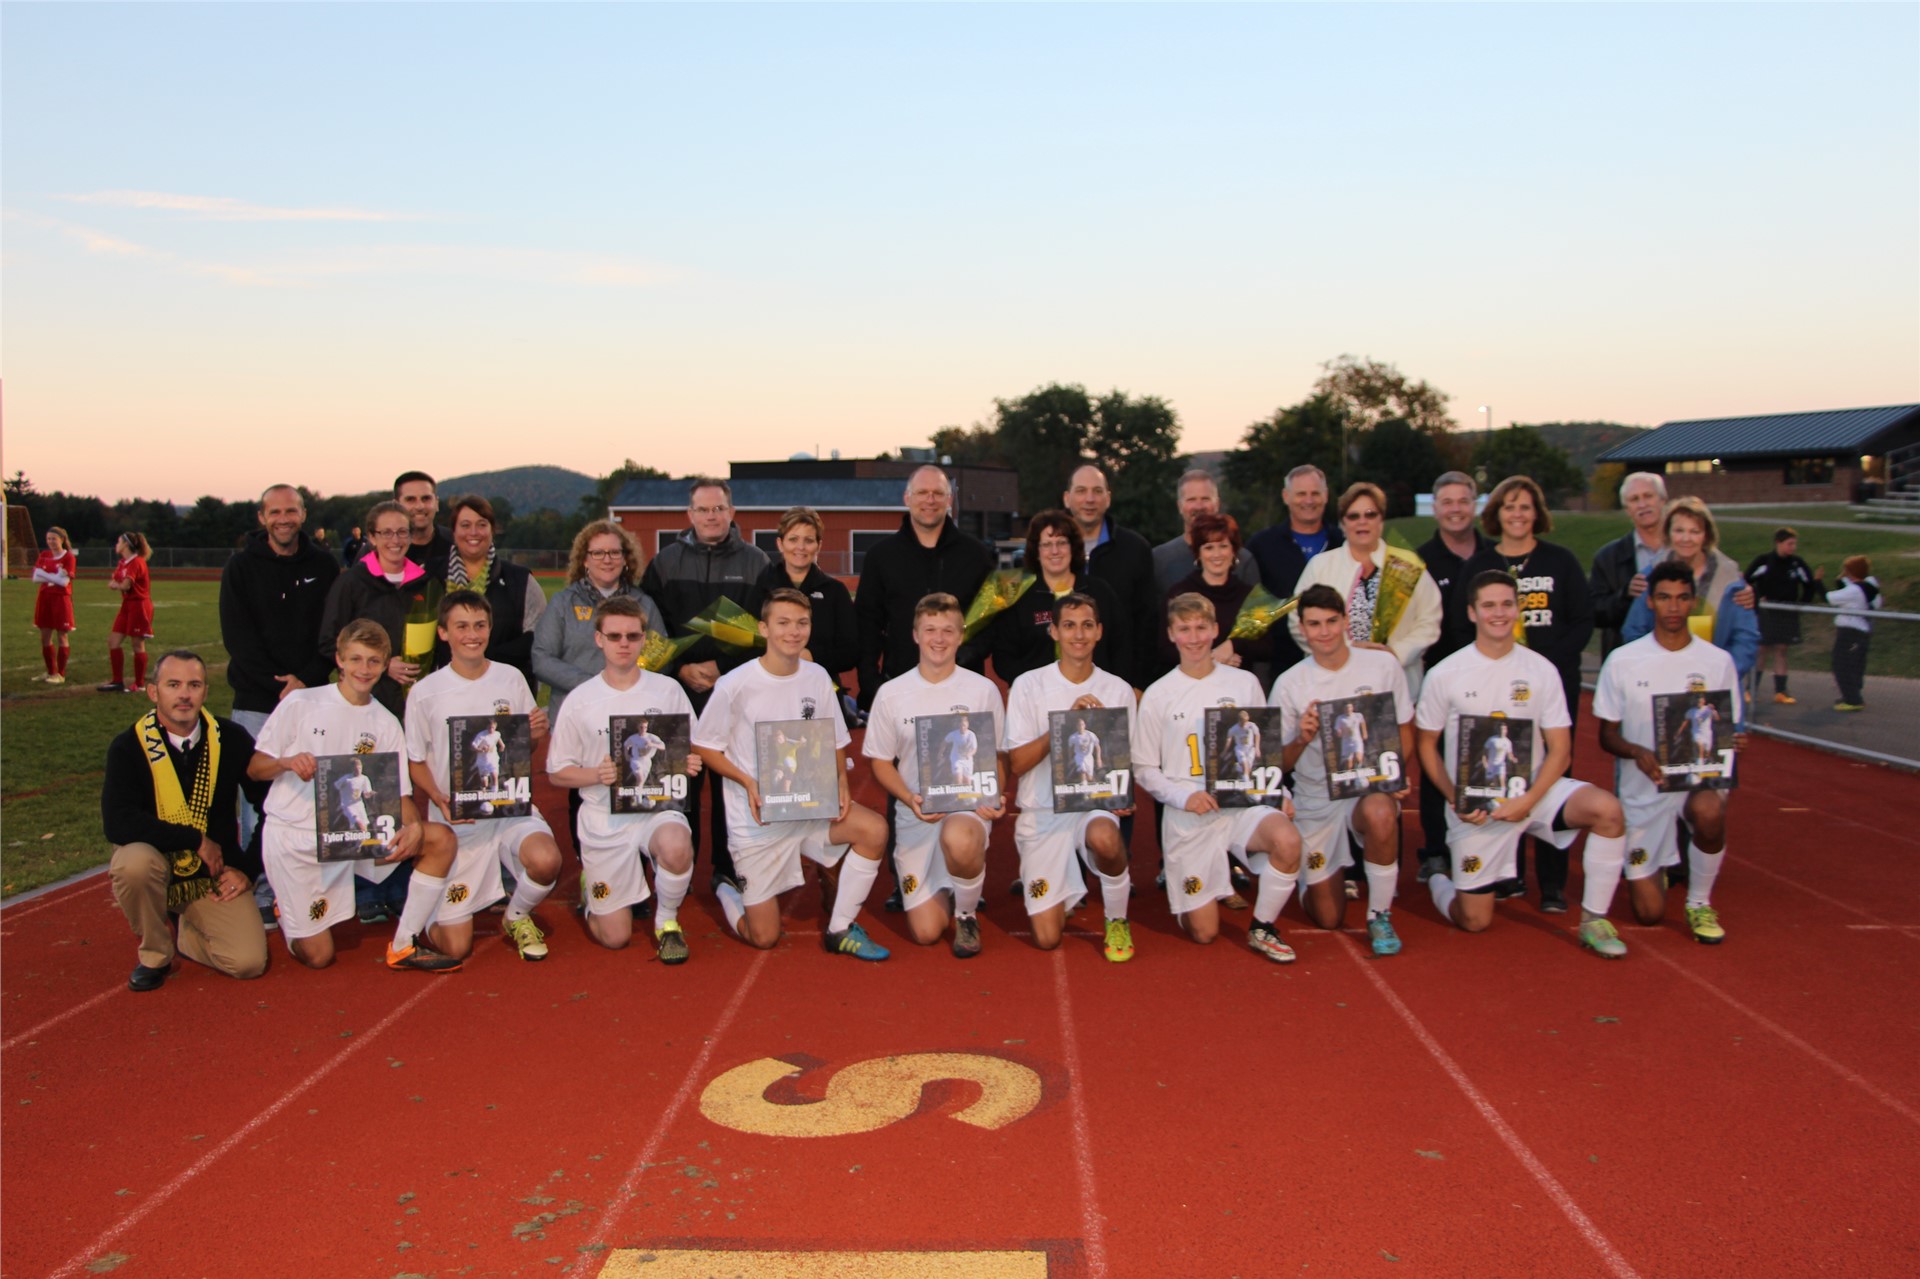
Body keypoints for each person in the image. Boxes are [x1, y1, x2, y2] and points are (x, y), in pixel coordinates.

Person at [1417, 572, 1629, 951]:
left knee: (1608, 810)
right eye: (1489, 605)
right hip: (1476, 806)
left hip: (1533, 793)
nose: (1499, 613)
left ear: (1519, 609)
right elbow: (1427, 744)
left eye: (1506, 604)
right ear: (1472, 612)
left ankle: (1595, 920)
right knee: (1475, 921)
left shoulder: (1541, 670)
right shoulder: (1444, 673)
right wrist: (1454, 796)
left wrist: (1527, 801)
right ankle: (1438, 878)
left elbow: (1560, 749)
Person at [248, 620, 461, 972]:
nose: (364, 669)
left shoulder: (386, 722)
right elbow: (255, 767)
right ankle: (287, 909)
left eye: (374, 661)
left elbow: (401, 795)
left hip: (353, 835)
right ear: (340, 660)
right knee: (318, 957)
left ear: (384, 663)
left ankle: (405, 943)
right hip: (298, 837)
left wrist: (414, 827)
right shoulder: (302, 703)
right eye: (356, 659)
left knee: (438, 839)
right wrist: (285, 763)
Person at [692, 587, 893, 959]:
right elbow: (704, 745)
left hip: (809, 807)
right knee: (764, 937)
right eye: (783, 623)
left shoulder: (817, 676)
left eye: (802, 623)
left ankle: (840, 928)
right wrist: (748, 781)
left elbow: (834, 737)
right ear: (764, 628)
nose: (793, 631)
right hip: (760, 820)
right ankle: (726, 888)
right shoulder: (735, 684)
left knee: (874, 829)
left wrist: (842, 782)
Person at [1445, 475, 1595, 913]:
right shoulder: (1480, 564)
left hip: (1547, 688)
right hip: (1493, 694)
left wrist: (1542, 661)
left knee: (1550, 775)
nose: (1517, 514)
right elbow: (1460, 623)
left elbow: (1582, 620)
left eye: (1525, 507)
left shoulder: (1560, 561)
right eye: (1509, 506)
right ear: (1497, 513)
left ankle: (1551, 882)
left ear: (1537, 513)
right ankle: (1503, 873)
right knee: (1495, 775)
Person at [1138, 593, 1303, 958]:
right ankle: (1199, 887)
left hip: (1242, 804)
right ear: (1171, 634)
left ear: (1215, 630)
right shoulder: (1159, 694)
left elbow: (1262, 753)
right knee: (1204, 933)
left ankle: (1263, 927)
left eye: (1201, 628)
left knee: (1288, 840)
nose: (1194, 637)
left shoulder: (1243, 684)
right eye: (1185, 629)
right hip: (1191, 814)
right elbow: (1144, 768)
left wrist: (1280, 794)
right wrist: (1184, 797)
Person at [1592, 560, 1746, 948]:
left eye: (1681, 598)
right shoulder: (1624, 660)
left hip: (1698, 780)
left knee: (1711, 810)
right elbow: (1606, 736)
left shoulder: (1717, 662)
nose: (1673, 607)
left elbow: (1729, 728)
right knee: (1649, 914)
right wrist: (1637, 751)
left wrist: (1735, 741)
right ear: (1650, 602)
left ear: (1693, 602)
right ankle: (1653, 868)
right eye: (1664, 598)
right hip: (1645, 789)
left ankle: (1699, 902)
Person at [406, 590, 562, 962]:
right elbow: (414, 761)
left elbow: (524, 752)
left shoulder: (511, 679)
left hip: (509, 807)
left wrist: (534, 736)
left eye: (479, 625)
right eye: (461, 626)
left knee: (547, 860)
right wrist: (439, 799)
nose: (471, 634)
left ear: (490, 628)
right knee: (456, 948)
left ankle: (517, 916)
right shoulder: (424, 693)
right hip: (459, 817)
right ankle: (430, 913)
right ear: (443, 632)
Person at [547, 597, 703, 962]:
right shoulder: (580, 700)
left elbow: (689, 743)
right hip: (605, 816)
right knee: (614, 937)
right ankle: (593, 893)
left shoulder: (667, 690)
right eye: (614, 635)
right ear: (598, 639)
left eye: (632, 636)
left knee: (677, 845)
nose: (623, 644)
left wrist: (689, 760)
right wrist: (594, 775)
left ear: (644, 639)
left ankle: (667, 923)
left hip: (656, 808)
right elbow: (556, 772)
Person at [103, 650, 270, 989]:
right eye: (173, 684)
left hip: (212, 873)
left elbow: (273, 806)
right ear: (154, 692)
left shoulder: (231, 739)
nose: (184, 695)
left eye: (194, 685)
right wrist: (194, 840)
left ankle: (185, 935)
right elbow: (117, 822)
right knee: (132, 863)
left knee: (248, 962)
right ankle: (156, 953)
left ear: (205, 692)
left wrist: (248, 870)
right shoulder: (128, 746)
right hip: (157, 867)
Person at [1271, 585, 1414, 957]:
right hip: (1317, 795)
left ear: (1346, 621)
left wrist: (1394, 772)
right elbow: (1276, 763)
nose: (1324, 632)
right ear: (1301, 628)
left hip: (1366, 786)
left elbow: (1405, 728)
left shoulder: (1382, 666)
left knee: (1382, 811)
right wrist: (1302, 737)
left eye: (1332, 621)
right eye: (1315, 624)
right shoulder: (1290, 683)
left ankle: (1380, 913)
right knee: (1328, 916)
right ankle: (1311, 878)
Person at [641, 477, 771, 885]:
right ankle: (679, 867)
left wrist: (720, 668)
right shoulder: (665, 562)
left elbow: (763, 631)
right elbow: (650, 628)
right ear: (690, 515)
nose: (711, 516)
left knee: (730, 779)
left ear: (732, 513)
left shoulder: (757, 563)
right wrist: (678, 670)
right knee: (681, 777)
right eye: (703, 509)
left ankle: (728, 868)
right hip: (680, 689)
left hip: (734, 689)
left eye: (719, 509)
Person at [863, 592, 1007, 958]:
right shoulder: (892, 693)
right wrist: (908, 798)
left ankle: (967, 913)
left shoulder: (982, 690)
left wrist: (994, 795)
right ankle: (952, 883)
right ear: (915, 634)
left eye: (948, 630)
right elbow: (880, 761)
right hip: (917, 813)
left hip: (966, 809)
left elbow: (997, 757)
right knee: (926, 933)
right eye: (930, 630)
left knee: (959, 837)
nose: (938, 639)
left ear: (961, 636)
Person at [1002, 592, 1139, 960]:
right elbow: (1017, 764)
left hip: (1090, 807)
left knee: (1106, 837)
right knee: (1047, 939)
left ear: (1099, 632)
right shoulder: (1028, 685)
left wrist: (1122, 795)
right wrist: (1061, 724)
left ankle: (1117, 920)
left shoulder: (1118, 690)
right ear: (1054, 632)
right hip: (1042, 811)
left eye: (1087, 626)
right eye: (1069, 625)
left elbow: (1126, 761)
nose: (1078, 634)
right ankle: (1060, 895)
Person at [219, 483, 341, 876]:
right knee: (259, 798)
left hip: (312, 698)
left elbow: (331, 634)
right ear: (262, 517)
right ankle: (259, 883)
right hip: (257, 702)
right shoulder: (240, 567)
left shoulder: (323, 566)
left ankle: (312, 878)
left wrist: (304, 679)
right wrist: (280, 686)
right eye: (275, 512)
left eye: (291, 511)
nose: (283, 519)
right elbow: (238, 638)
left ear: (303, 514)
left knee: (313, 792)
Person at [854, 465, 995, 712]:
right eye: (922, 493)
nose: (930, 500)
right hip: (900, 686)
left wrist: (968, 654)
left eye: (938, 493)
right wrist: (870, 681)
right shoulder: (881, 556)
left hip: (962, 689)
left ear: (949, 499)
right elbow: (867, 622)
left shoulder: (976, 555)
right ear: (907, 498)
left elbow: (991, 620)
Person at [1287, 481, 1442, 697]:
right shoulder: (1320, 566)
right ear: (1342, 523)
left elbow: (1429, 620)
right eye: (1353, 516)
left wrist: (1395, 654)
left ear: (1381, 519)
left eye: (1370, 514)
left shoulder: (1407, 565)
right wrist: (1346, 652)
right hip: (1333, 687)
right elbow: (1297, 621)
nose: (1363, 522)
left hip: (1397, 683)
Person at [1413, 472, 1489, 882]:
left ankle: (1495, 842)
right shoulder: (1420, 560)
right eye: (1447, 502)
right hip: (1440, 679)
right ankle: (1435, 849)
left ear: (1475, 504)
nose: (1456, 509)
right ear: (1435, 508)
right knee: (1436, 763)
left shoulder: (1494, 555)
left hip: (1491, 677)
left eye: (1463, 501)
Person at [535, 520, 667, 724]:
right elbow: (542, 659)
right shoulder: (563, 603)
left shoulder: (644, 604)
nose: (607, 559)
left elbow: (663, 658)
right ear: (585, 560)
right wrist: (594, 685)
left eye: (615, 552)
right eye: (598, 553)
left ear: (625, 559)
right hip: (575, 713)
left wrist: (629, 686)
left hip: (632, 713)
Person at [1620, 497, 1759, 680]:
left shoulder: (1731, 581)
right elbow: (1634, 631)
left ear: (1706, 535)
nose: (1686, 539)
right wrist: (1658, 670)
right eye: (1679, 530)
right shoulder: (1649, 576)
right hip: (1661, 681)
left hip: (1717, 685)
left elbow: (1745, 638)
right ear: (1668, 533)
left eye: (1695, 531)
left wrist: (1724, 673)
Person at [317, 501, 434, 717]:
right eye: (386, 533)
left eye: (402, 532)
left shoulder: (427, 583)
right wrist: (383, 664)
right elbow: (328, 641)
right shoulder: (352, 582)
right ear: (372, 537)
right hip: (366, 702)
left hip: (419, 703)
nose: (395, 540)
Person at [991, 509, 1124, 686]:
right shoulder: (1019, 596)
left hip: (1096, 693)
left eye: (1062, 543)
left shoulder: (1099, 592)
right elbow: (1004, 656)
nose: (1055, 551)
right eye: (1046, 544)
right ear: (1036, 551)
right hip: (1036, 696)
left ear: (1073, 547)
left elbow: (1121, 646)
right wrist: (1034, 685)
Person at [430, 495, 547, 695]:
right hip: (445, 692)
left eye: (481, 524)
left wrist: (486, 656)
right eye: (465, 525)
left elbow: (540, 638)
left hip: (505, 695)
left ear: (493, 530)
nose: (473, 532)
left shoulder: (520, 580)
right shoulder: (431, 576)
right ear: (454, 530)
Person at [1064, 464, 1160, 691]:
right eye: (1081, 491)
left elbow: (1147, 623)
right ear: (1067, 498)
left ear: (1108, 498)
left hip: (1119, 683)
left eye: (1097, 491)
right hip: (1060, 682)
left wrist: (1138, 683)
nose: (1090, 499)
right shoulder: (1051, 551)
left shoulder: (1135, 549)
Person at [747, 506, 858, 703]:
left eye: (808, 540)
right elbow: (748, 642)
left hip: (821, 694)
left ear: (818, 545)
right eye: (793, 539)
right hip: (769, 692)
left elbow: (850, 652)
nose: (800, 547)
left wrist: (812, 655)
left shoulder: (835, 592)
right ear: (780, 544)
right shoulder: (762, 588)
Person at [1247, 465, 1344, 675]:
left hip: (1339, 660)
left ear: (1326, 496)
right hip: (1281, 664)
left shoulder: (1343, 543)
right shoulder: (1262, 545)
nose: (1309, 501)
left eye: (1315, 493)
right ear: (1286, 496)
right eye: (1301, 494)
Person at [1163, 513, 1272, 675]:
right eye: (1208, 547)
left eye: (1223, 546)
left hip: (1239, 689)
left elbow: (1268, 646)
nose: (1217, 555)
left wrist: (1233, 645)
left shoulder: (1251, 596)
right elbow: (1164, 649)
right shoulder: (1179, 594)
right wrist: (1212, 659)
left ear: (1234, 551)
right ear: (1198, 553)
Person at [1589, 471, 1671, 658]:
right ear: (1627, 510)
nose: (1642, 504)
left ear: (1663, 499)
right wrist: (1625, 595)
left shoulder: (1684, 549)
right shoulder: (1607, 558)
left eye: (1648, 496)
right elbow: (1594, 613)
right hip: (1628, 659)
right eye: (1634, 499)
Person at [1152, 468, 1258, 596]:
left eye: (1205, 499)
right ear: (1179, 506)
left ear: (1217, 504)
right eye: (1191, 500)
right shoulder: (1159, 559)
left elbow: (1257, 613)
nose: (1199, 506)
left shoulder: (1243, 560)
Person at [1745, 527, 1822, 704]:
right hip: (1767, 612)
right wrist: (1758, 598)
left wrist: (1802, 603)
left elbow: (1809, 584)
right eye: (1789, 544)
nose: (1793, 548)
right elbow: (1747, 581)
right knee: (1762, 649)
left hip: (1787, 612)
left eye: (1794, 544)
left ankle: (1781, 691)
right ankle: (1750, 690)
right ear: (1778, 543)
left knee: (1781, 650)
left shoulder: (1796, 563)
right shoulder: (1764, 561)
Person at [97, 532, 154, 693]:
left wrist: (118, 584)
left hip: (139, 605)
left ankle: (140, 683)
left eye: (118, 542)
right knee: (113, 641)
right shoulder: (123, 562)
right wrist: (117, 584)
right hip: (127, 605)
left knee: (137, 644)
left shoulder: (137, 562)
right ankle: (117, 681)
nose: (116, 545)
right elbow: (115, 581)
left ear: (126, 545)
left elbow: (125, 585)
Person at [1827, 555, 1884, 712]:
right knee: (1855, 664)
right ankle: (1851, 695)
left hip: (1851, 631)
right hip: (1860, 630)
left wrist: (1818, 582)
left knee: (1841, 664)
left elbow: (1830, 597)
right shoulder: (1868, 587)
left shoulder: (1855, 590)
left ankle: (1853, 700)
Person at [31, 526, 78, 684]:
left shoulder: (69, 557)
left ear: (62, 540)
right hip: (44, 598)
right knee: (44, 637)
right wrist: (54, 577)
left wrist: (44, 575)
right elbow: (35, 578)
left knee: (62, 635)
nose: (51, 542)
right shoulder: (44, 555)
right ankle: (51, 671)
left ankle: (60, 674)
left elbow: (64, 582)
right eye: (48, 538)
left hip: (60, 600)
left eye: (54, 539)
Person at [394, 470, 453, 568]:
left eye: (426, 499)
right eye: (411, 500)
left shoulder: (456, 545)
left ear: (436, 503)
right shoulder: (379, 551)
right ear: (396, 505)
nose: (419, 506)